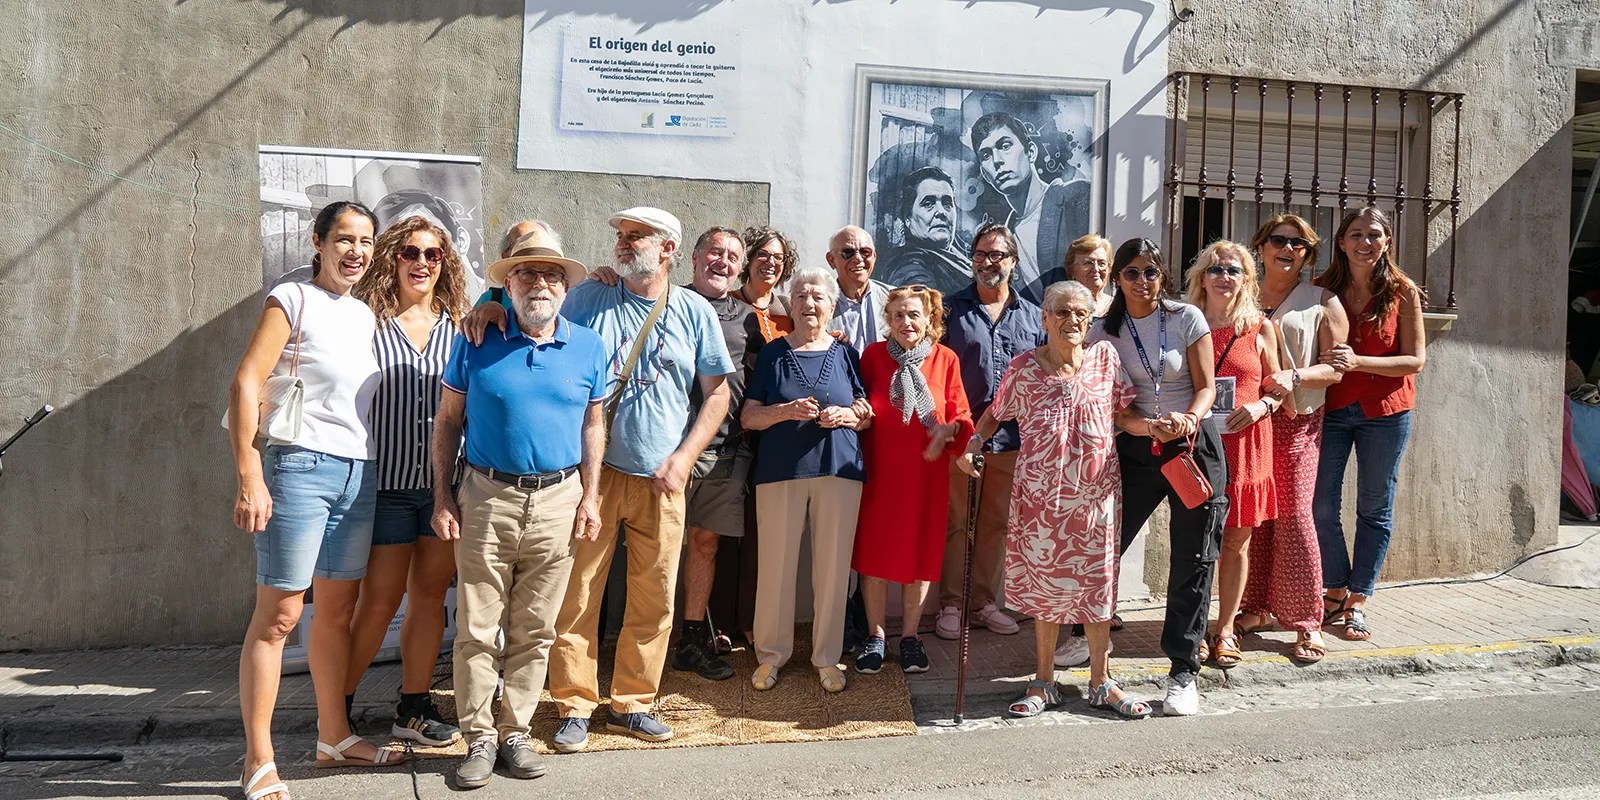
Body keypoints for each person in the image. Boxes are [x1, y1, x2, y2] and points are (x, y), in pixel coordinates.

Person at [228, 202, 403, 800]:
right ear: (319, 242)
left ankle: (334, 737)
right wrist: (250, 472)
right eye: (344, 240)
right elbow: (246, 380)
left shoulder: (364, 314)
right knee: (278, 616)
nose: (355, 251)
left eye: (365, 241)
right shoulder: (291, 297)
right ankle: (258, 759)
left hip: (359, 471)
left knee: (333, 613)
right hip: (297, 467)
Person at [545, 207, 735, 752]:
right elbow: (531, 321)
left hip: (663, 480)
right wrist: (488, 313)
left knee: (654, 598)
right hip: (594, 477)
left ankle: (632, 703)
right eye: (622, 237)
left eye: (635, 237)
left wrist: (685, 457)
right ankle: (575, 703)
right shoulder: (588, 299)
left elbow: (717, 392)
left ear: (668, 248)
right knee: (579, 592)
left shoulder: (696, 310)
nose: (623, 245)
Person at [430, 228, 606, 788]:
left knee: (536, 628)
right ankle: (479, 737)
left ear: (564, 287)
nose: (540, 284)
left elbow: (593, 424)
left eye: (551, 274)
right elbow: (447, 422)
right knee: (478, 628)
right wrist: (442, 496)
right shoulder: (478, 339)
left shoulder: (588, 346)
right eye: (526, 273)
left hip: (559, 498)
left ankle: (515, 733)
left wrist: (591, 496)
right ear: (508, 284)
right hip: (485, 495)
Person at [959, 280, 1153, 719]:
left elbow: (1123, 415)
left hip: (1096, 497)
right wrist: (973, 445)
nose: (1072, 321)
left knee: (1099, 588)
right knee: (1047, 593)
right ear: (1044, 319)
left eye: (1080, 314)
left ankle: (1102, 682)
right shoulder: (1024, 368)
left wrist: (1153, 426)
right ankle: (1044, 681)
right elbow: (994, 414)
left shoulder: (1105, 360)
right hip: (1041, 502)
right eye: (1062, 312)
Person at [342, 215, 469, 748]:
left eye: (433, 255)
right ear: (391, 258)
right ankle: (337, 706)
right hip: (387, 487)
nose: (421, 263)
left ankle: (412, 709)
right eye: (410, 253)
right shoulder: (365, 322)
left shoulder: (463, 326)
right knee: (377, 603)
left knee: (429, 597)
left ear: (446, 263)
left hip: (446, 490)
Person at [1087, 238, 1226, 717]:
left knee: (1194, 556)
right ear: (1116, 279)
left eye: (1150, 271)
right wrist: (1141, 425)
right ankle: (1085, 644)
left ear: (1162, 275)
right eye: (1130, 273)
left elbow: (1207, 386)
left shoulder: (1186, 318)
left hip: (1191, 446)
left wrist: (1189, 417)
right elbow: (1107, 403)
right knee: (1105, 545)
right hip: (1135, 447)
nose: (1141, 282)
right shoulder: (1101, 333)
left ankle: (1184, 672)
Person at [742, 267, 872, 694]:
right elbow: (749, 416)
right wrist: (784, 411)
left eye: (818, 297)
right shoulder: (773, 354)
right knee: (776, 568)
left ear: (832, 307)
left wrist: (850, 416)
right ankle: (771, 657)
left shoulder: (847, 354)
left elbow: (866, 412)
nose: (809, 303)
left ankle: (827, 658)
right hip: (781, 472)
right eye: (801, 296)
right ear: (790, 304)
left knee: (834, 570)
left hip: (839, 471)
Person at [1313, 206, 1427, 641]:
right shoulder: (1322, 289)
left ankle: (1358, 599)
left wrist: (1359, 361)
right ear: (1341, 242)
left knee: (1374, 507)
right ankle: (1336, 586)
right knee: (1320, 504)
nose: (1365, 242)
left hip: (1387, 412)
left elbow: (1416, 359)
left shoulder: (1403, 292)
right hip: (1333, 409)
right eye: (1355, 234)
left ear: (1387, 241)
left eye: (1373, 234)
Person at [851, 286, 972, 674]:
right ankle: (875, 637)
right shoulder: (871, 357)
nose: (906, 322)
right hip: (879, 473)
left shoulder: (945, 359)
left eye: (915, 315)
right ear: (889, 319)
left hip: (926, 474)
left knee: (920, 555)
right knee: (874, 554)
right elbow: (858, 401)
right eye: (899, 315)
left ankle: (910, 637)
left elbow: (962, 416)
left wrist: (948, 431)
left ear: (929, 319)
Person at [1245, 214, 1347, 664]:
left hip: (1295, 423)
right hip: (1246, 421)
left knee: (1295, 516)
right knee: (1253, 517)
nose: (1287, 248)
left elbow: (1337, 367)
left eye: (1299, 244)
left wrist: (1295, 374)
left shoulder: (1323, 301)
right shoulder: (1239, 292)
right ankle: (1255, 608)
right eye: (1278, 240)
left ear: (1308, 254)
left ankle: (1308, 621)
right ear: (1261, 246)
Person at [934, 223, 1042, 645]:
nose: (988, 262)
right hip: (962, 438)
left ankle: (983, 603)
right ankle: (950, 604)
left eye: (997, 255)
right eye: (981, 253)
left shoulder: (1034, 316)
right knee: (956, 522)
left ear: (1013, 263)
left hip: (1013, 442)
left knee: (997, 523)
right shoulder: (948, 311)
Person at [1186, 241, 1282, 668]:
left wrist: (1262, 405)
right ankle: (1194, 627)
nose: (1225, 276)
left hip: (1245, 444)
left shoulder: (1259, 327)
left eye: (1234, 270)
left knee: (1237, 541)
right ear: (1201, 277)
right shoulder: (1186, 323)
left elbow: (1278, 386)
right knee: (1197, 541)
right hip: (1201, 445)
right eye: (1216, 268)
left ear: (1247, 280)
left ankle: (1224, 629)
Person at [672, 228, 763, 680]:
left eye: (732, 256)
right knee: (660, 548)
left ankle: (691, 639)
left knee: (705, 545)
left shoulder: (748, 318)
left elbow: (763, 377)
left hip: (725, 451)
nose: (722, 261)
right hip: (665, 451)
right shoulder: (667, 301)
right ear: (694, 256)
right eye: (715, 252)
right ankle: (644, 643)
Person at [969, 112, 1091, 304]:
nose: (997, 160)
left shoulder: (1076, 198)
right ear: (985, 174)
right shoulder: (1004, 240)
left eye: (1005, 146)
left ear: (1031, 152)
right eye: (986, 155)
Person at [879, 166, 972, 295]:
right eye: (928, 204)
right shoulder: (907, 267)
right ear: (908, 218)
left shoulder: (965, 256)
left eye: (947, 203)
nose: (941, 212)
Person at [826, 226, 894, 352]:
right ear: (831, 260)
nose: (858, 259)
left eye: (865, 252)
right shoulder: (819, 304)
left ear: (873, 256)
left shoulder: (894, 299)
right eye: (848, 253)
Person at [735, 225, 798, 342]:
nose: (770, 262)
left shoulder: (789, 308)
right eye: (763, 254)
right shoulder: (728, 304)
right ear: (748, 258)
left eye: (778, 257)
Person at [1064, 234, 1115, 318]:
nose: (1096, 269)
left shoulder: (1119, 305)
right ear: (1072, 270)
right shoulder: (1064, 306)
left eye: (1102, 263)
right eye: (1088, 263)